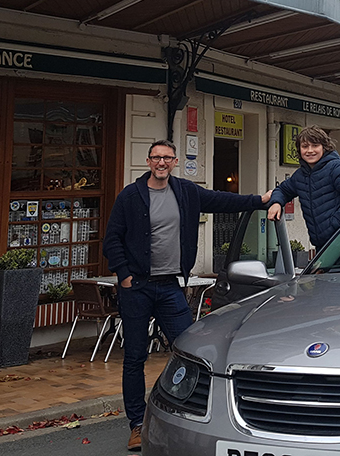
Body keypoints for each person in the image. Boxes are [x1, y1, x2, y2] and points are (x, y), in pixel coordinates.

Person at [102, 139, 271, 450]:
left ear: (175, 161)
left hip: (169, 287)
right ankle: (137, 425)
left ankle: (182, 413)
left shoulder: (186, 192)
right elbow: (112, 239)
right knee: (134, 358)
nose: (162, 163)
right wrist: (124, 276)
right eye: (156, 158)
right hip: (136, 288)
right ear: (148, 161)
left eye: (167, 158)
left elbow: (221, 201)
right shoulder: (131, 196)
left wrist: (259, 199)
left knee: (191, 351)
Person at [267, 126, 340, 249]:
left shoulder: (337, 168)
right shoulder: (300, 176)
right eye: (305, 146)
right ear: (299, 149)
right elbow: (282, 190)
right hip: (323, 245)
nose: (310, 150)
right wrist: (276, 202)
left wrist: (334, 225)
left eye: (315, 145)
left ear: (324, 147)